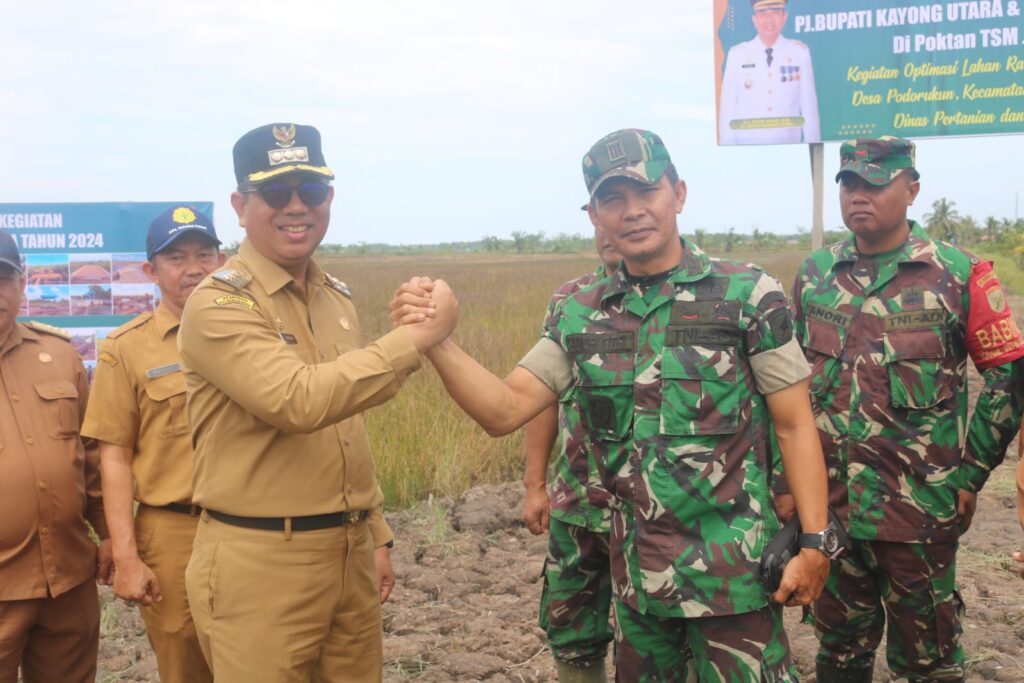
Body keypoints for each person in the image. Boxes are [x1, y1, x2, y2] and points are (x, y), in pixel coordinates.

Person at [391, 128, 832, 681]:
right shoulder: (578, 312)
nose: (632, 212)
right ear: (595, 215)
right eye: (611, 199)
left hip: (734, 584)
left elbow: (794, 426)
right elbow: (504, 409)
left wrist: (817, 543)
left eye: (646, 192)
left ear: (679, 193)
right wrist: (438, 339)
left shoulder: (748, 295)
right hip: (638, 588)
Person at [177, 122, 453, 682]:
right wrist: (418, 338)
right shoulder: (218, 303)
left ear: (330, 197)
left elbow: (345, 428)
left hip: (347, 551)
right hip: (259, 559)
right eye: (276, 193)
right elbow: (297, 401)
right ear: (240, 205)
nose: (296, 207)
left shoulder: (335, 298)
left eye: (312, 190)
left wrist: (372, 530)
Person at [788, 135, 1024, 681]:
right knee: (838, 655)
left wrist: (970, 473)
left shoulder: (958, 274)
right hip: (831, 513)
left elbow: (1009, 373)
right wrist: (786, 486)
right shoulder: (814, 276)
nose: (857, 195)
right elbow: (787, 390)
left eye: (874, 183)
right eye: (849, 183)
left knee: (930, 663)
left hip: (918, 516)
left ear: (912, 189)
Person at [81, 206, 224, 683]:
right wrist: (125, 556)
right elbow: (114, 457)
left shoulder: (256, 333)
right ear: (151, 271)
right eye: (177, 257)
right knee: (185, 666)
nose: (194, 268)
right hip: (173, 532)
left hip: (257, 529)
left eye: (205, 254)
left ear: (222, 261)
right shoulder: (126, 349)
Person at [0, 230, 112, 682]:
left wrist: (108, 535)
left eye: (3, 278)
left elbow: (90, 457)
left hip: (66, 580)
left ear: (22, 283)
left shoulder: (59, 355)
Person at [522, 228, 619, 682]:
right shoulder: (571, 301)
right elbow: (543, 398)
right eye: (604, 215)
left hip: (661, 519)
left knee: (669, 638)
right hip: (577, 508)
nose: (614, 230)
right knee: (572, 637)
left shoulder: (700, 300)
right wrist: (534, 486)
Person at [719, 0, 820, 145]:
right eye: (763, 13)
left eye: (775, 12)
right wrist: (727, 149)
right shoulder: (737, 55)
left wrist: (813, 144)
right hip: (746, 149)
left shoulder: (799, 52)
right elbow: (727, 110)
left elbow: (809, 107)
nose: (769, 19)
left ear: (784, 16)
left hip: (789, 148)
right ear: (754, 19)